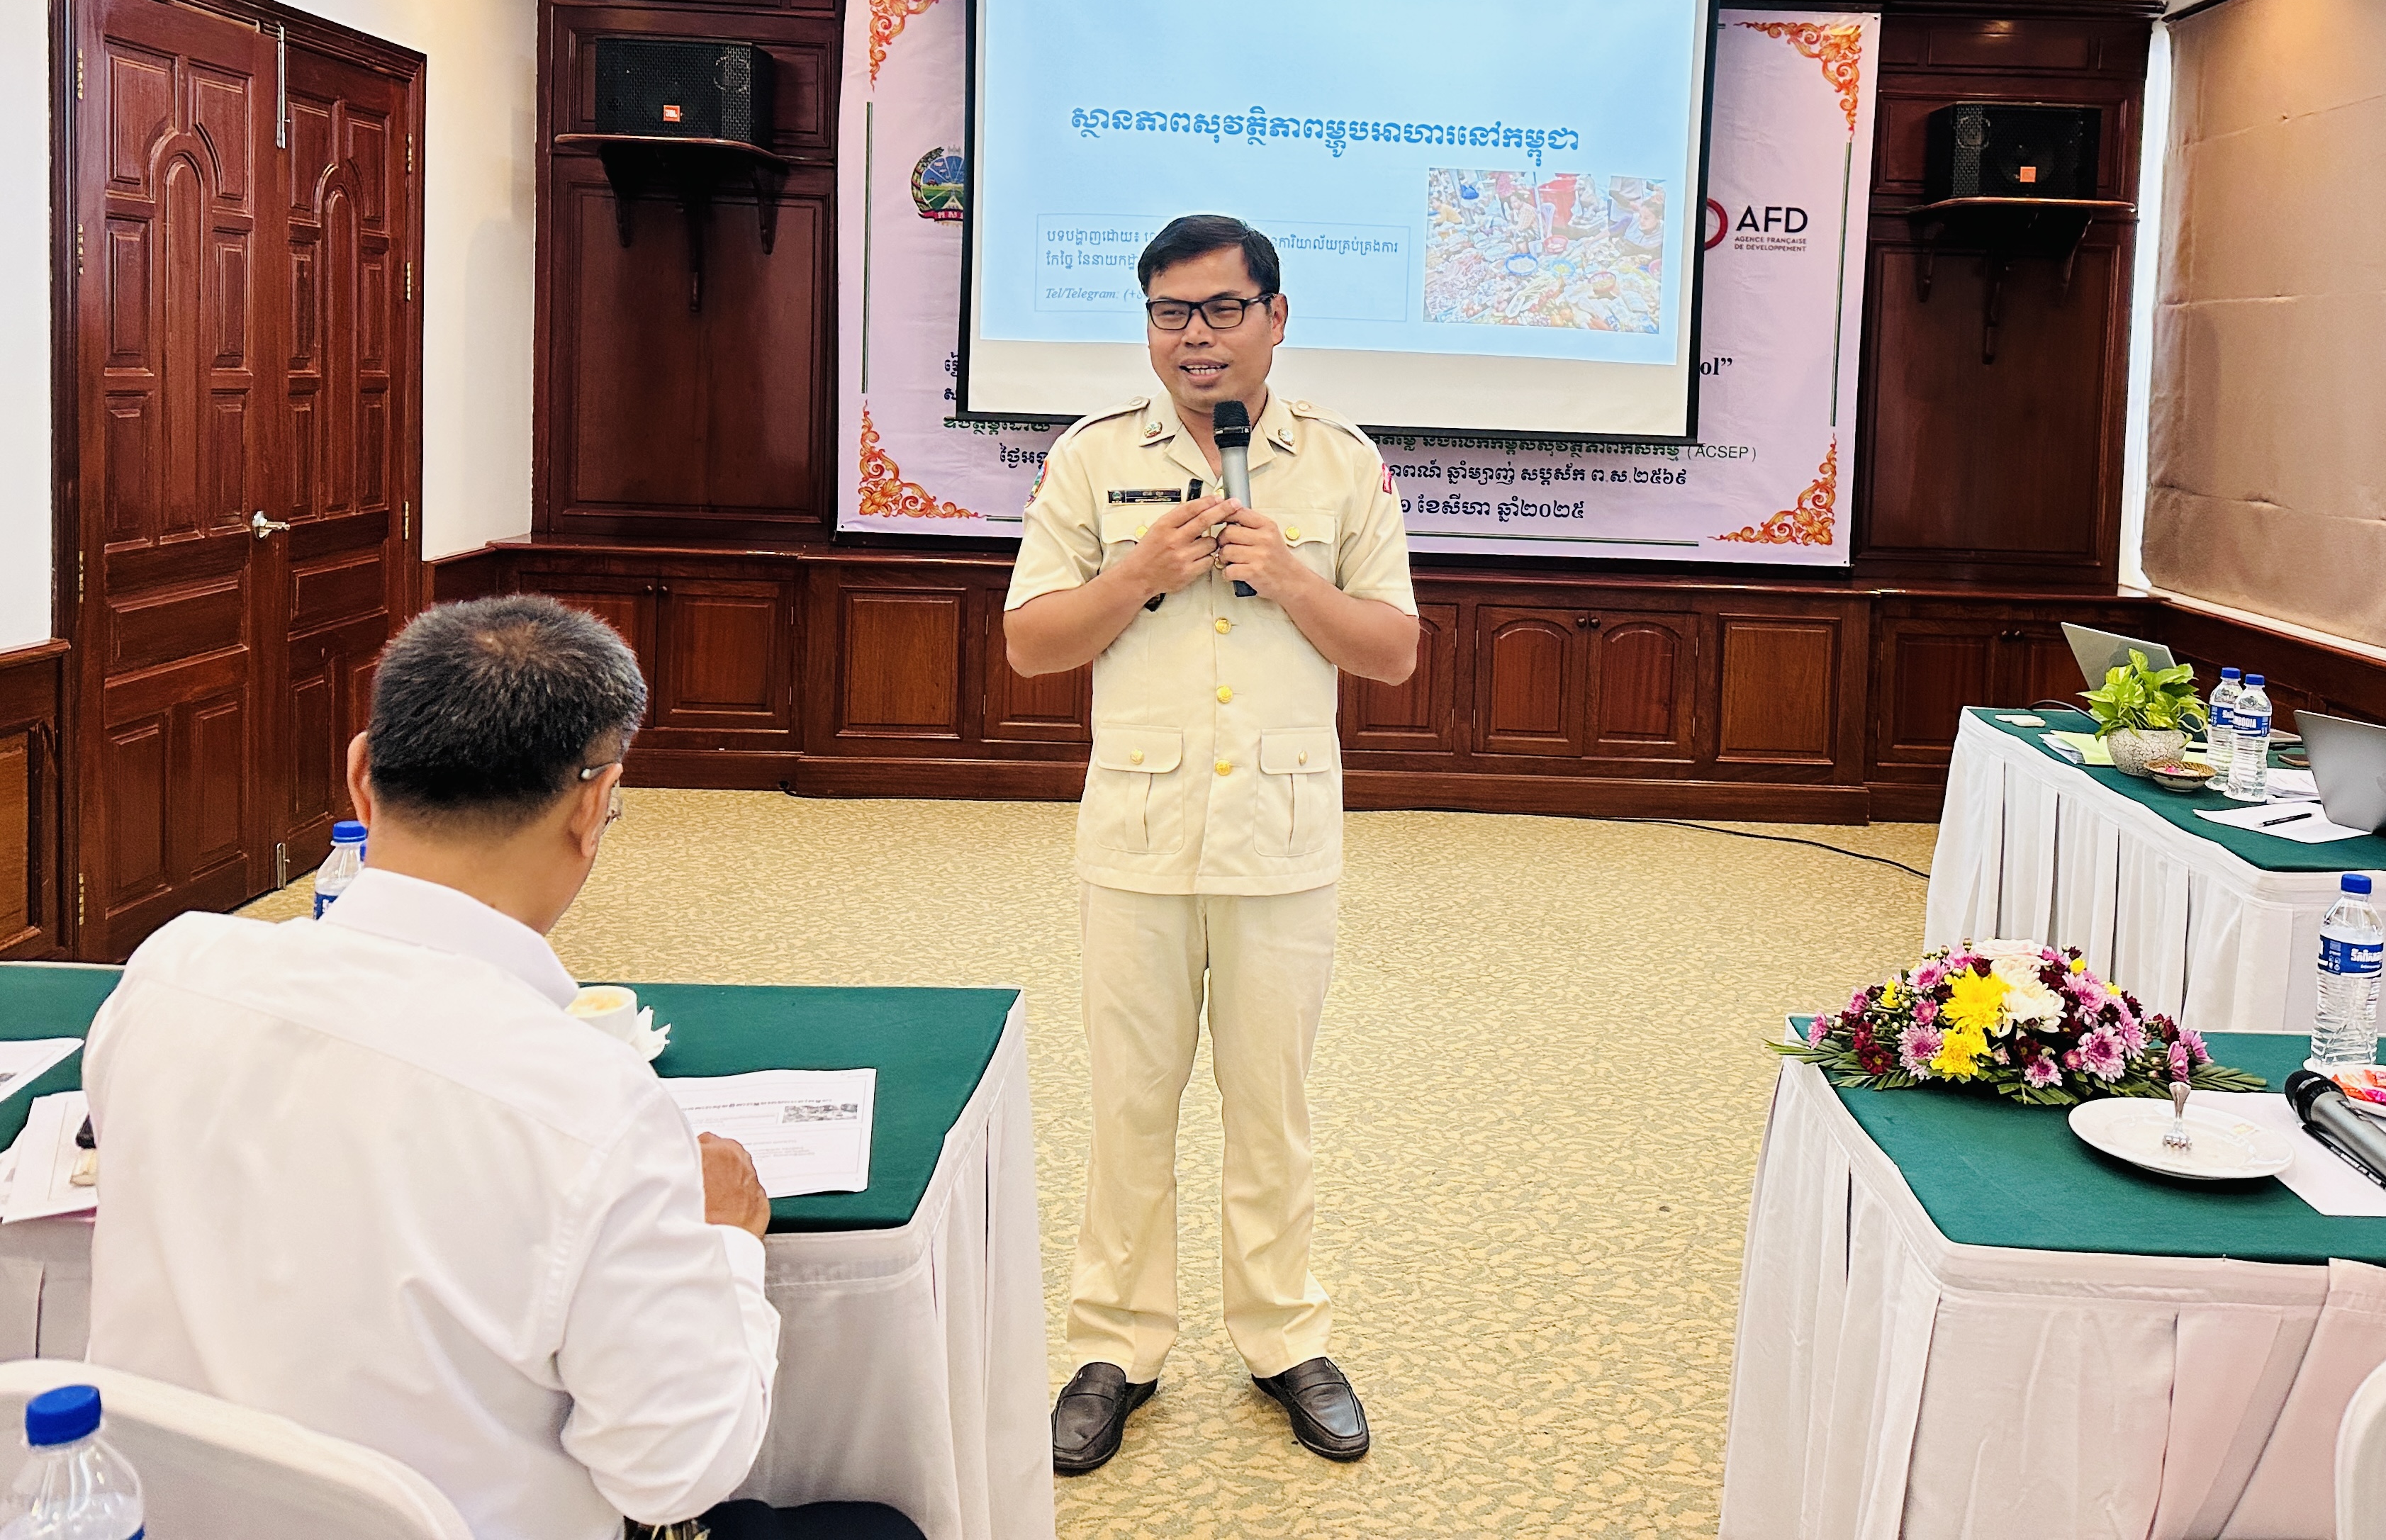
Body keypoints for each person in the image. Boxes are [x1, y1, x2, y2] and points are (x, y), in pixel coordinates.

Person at [82, 597, 919, 1540]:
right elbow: (674, 1472)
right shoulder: (590, 1102)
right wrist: (725, 1241)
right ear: (594, 807)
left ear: (360, 776)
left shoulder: (170, 972)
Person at [1006, 213, 1418, 1474]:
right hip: (1136, 836)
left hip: (1281, 840)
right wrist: (1137, 572)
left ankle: (1285, 1336)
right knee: (1130, 1102)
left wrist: (1291, 579)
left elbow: (1394, 653)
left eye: (1222, 309)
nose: (1195, 335)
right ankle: (1114, 1348)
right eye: (1169, 312)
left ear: (1275, 317)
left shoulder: (1341, 463)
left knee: (1271, 1103)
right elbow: (1030, 643)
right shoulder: (1090, 459)